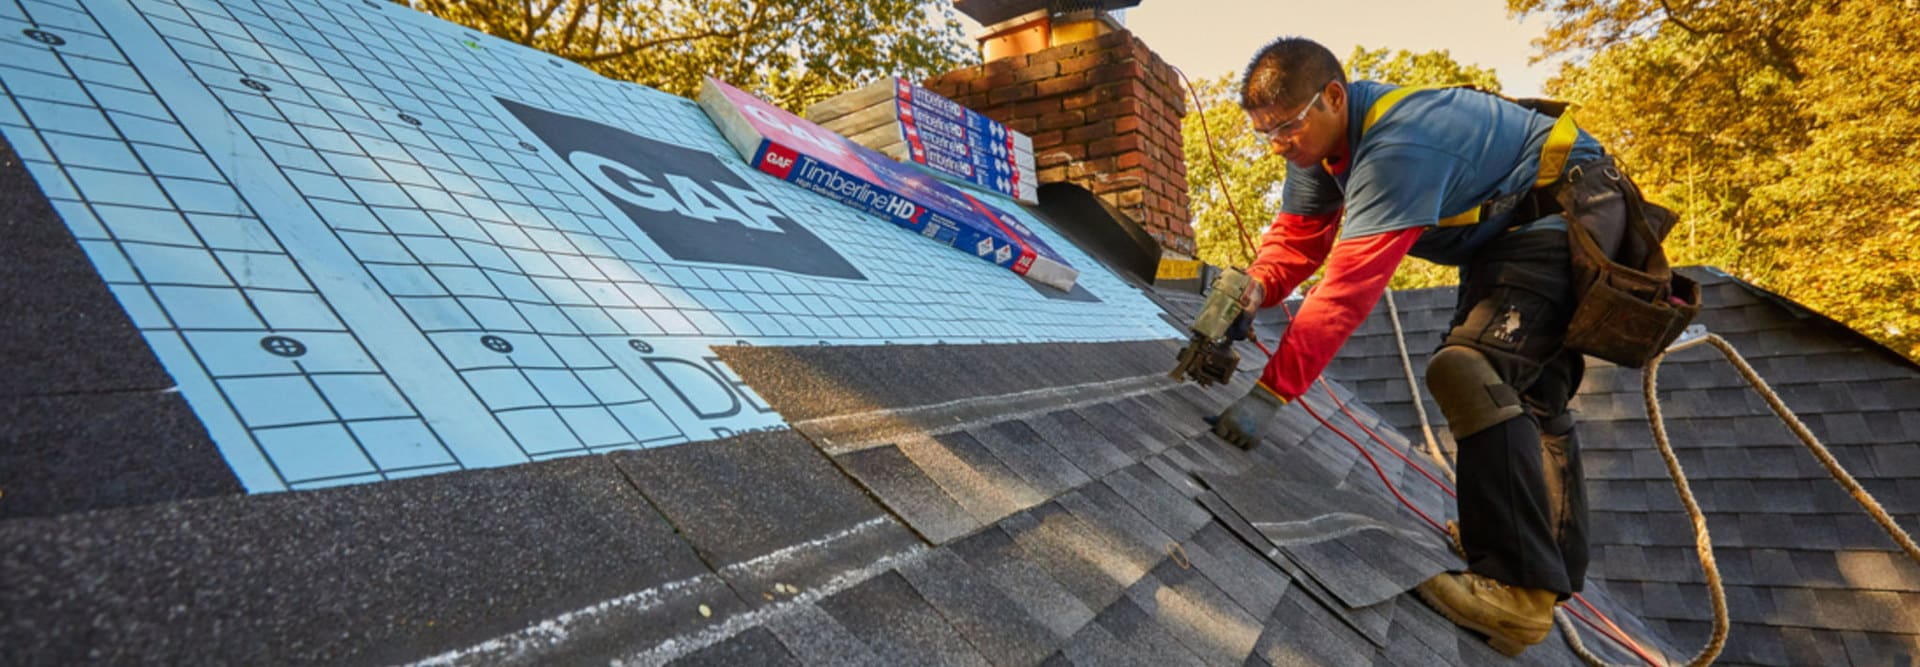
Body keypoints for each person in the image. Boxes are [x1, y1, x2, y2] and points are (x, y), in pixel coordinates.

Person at [1208, 36, 1606, 656]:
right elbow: (1300, 237)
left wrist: (1269, 393)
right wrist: (1257, 288)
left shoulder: (1399, 145)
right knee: (1528, 397)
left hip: (1567, 219)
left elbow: (1344, 289)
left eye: (1286, 128)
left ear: (1333, 98)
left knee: (1469, 369)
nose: (1280, 144)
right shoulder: (1320, 151)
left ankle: (1519, 594)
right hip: (1508, 237)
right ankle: (1541, 560)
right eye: (1267, 134)